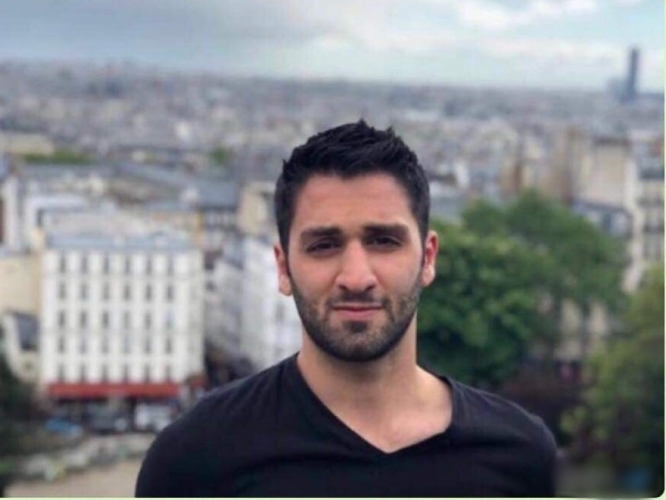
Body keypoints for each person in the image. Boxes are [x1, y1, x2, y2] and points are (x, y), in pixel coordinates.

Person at [135, 120, 557, 497]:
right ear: (283, 267)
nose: (356, 277)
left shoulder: (521, 457)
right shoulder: (194, 462)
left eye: (383, 241)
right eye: (324, 246)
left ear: (428, 258)